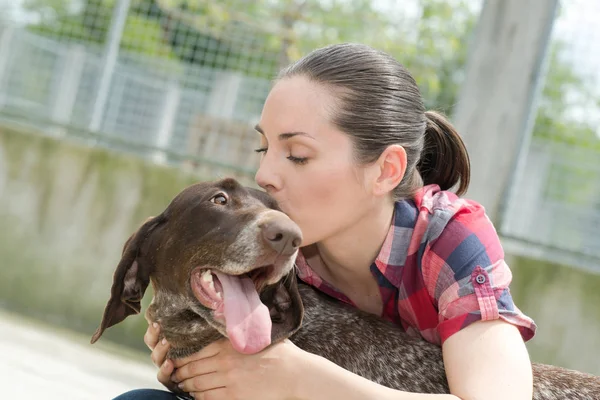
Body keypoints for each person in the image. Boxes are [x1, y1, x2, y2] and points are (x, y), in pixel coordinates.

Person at [114, 43, 537, 400]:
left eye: (297, 155)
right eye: (265, 150)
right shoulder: (277, 246)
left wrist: (297, 376)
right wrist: (191, 354)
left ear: (386, 170)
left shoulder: (451, 238)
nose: (265, 176)